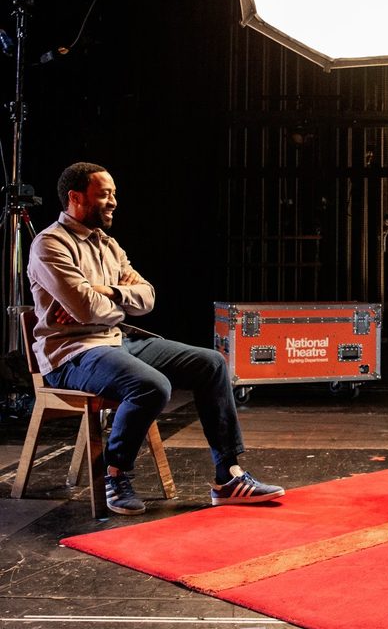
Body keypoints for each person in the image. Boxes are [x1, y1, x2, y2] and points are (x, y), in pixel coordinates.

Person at [27, 162, 285, 515]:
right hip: (73, 354)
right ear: (75, 197)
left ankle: (229, 476)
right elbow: (86, 310)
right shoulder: (49, 245)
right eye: (105, 194)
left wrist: (105, 292)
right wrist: (107, 302)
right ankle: (115, 475)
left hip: (115, 340)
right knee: (151, 386)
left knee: (210, 364)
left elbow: (147, 297)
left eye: (114, 194)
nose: (114, 201)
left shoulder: (108, 245)